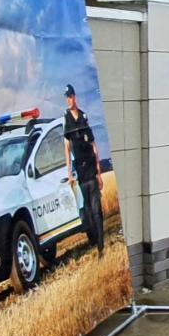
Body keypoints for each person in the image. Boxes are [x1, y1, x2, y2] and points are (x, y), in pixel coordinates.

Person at [62, 84, 105, 254]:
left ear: (75, 97)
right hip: (80, 173)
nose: (68, 100)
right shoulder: (67, 120)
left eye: (70, 97)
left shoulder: (83, 117)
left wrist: (99, 172)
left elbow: (94, 146)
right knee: (87, 212)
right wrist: (69, 172)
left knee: (96, 210)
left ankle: (101, 246)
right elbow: (66, 148)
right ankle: (95, 240)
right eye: (66, 98)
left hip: (91, 172)